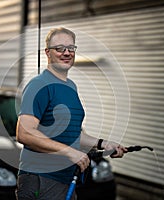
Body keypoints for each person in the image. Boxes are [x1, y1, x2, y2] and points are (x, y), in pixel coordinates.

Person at [15, 27, 127, 200]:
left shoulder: (70, 86)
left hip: (65, 179)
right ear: (47, 53)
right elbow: (24, 133)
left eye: (71, 48)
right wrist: (69, 152)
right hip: (41, 180)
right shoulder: (39, 85)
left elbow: (72, 133)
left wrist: (103, 143)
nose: (66, 53)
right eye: (59, 48)